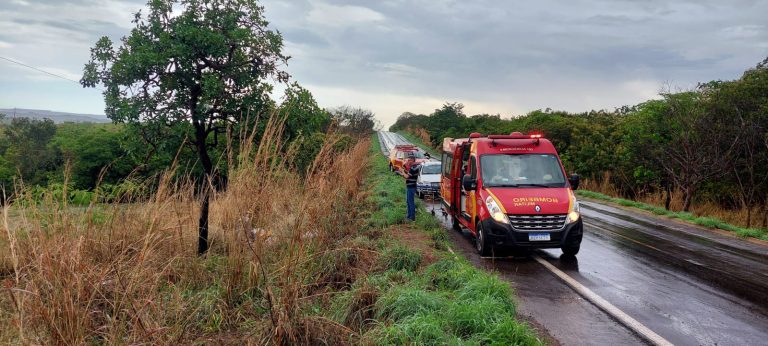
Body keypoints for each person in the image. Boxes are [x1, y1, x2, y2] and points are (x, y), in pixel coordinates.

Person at [401, 153, 420, 221]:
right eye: (408, 160)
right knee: (408, 201)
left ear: (412, 160)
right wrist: (405, 171)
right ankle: (409, 216)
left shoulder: (413, 168)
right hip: (411, 186)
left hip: (411, 187)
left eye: (409, 160)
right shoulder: (415, 167)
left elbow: (407, 177)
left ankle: (412, 217)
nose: (408, 161)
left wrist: (402, 172)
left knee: (410, 202)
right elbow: (410, 175)